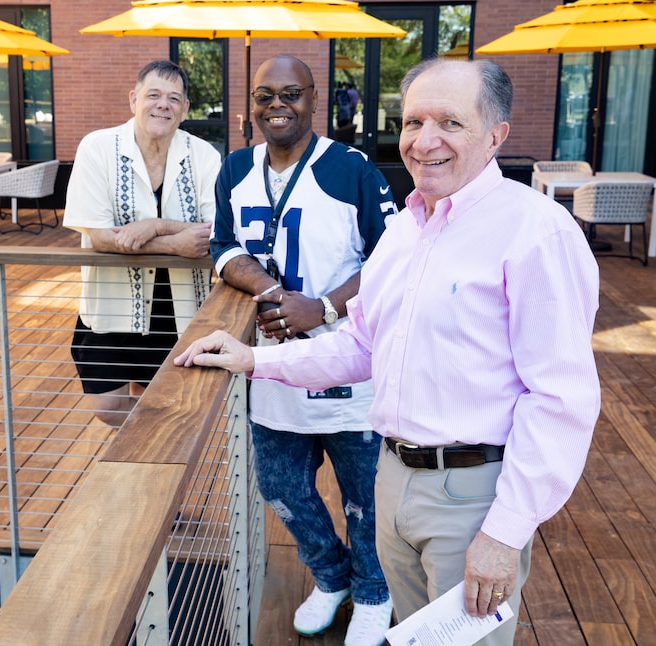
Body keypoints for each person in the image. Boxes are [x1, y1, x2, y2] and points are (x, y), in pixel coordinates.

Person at [176, 58, 601, 646]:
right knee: (414, 634)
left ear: (496, 135)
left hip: (471, 492)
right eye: (413, 122)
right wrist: (254, 360)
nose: (425, 142)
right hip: (393, 476)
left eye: (451, 122)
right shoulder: (407, 229)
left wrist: (504, 534)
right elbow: (362, 344)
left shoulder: (536, 232)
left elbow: (560, 400)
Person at [210, 54, 398, 646]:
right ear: (252, 105)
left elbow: (393, 259)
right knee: (283, 489)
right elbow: (221, 244)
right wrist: (268, 290)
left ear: (315, 99)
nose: (277, 105)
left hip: (349, 367)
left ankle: (374, 592)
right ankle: (333, 577)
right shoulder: (235, 168)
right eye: (265, 95)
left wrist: (324, 307)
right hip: (273, 370)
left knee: (363, 497)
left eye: (290, 93)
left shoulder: (352, 168)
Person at [63, 60, 222, 426]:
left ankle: (150, 464)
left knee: (172, 400)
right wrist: (173, 244)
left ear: (184, 109)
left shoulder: (204, 156)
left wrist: (153, 226)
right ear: (134, 99)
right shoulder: (97, 148)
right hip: (113, 306)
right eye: (153, 95)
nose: (162, 104)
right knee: (108, 408)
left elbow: (212, 230)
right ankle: (150, 437)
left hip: (179, 310)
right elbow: (100, 235)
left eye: (173, 98)